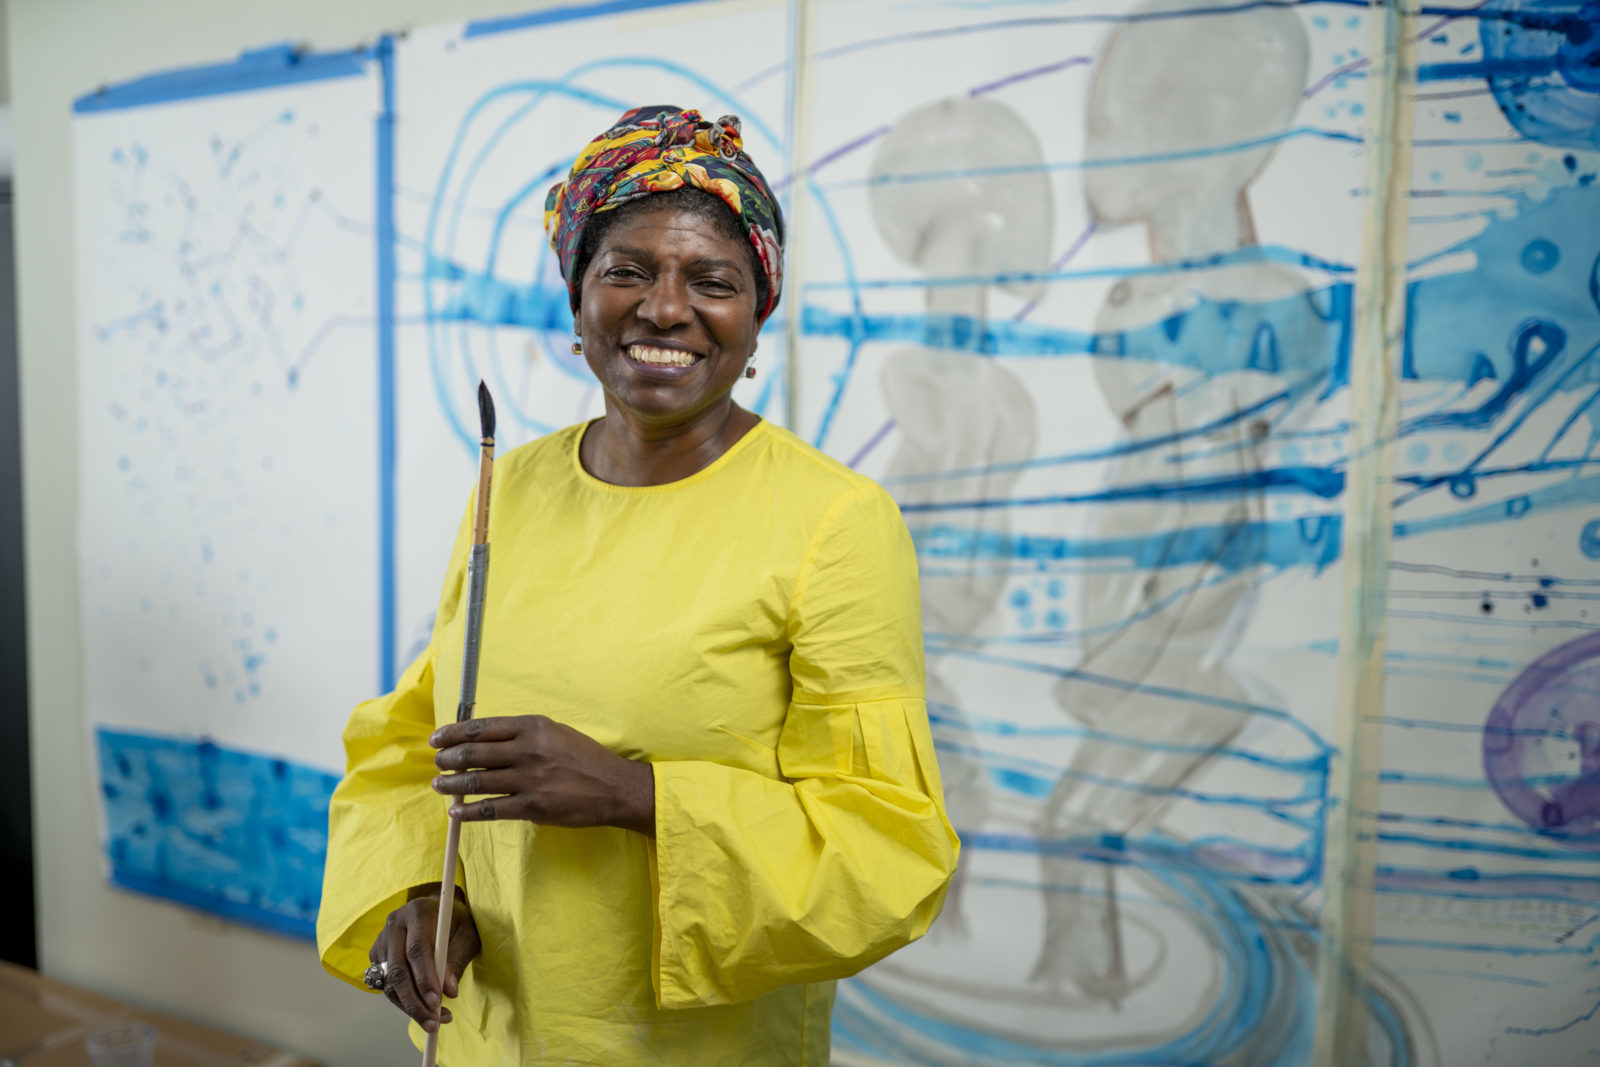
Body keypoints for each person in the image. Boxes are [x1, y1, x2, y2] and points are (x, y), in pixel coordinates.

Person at [315, 105, 959, 1066]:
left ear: (757, 315)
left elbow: (888, 848)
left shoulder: (834, 520)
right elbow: (420, 734)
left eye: (712, 280)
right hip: (490, 1034)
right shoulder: (513, 483)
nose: (665, 308)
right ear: (578, 299)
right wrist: (421, 891)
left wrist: (636, 793)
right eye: (626, 271)